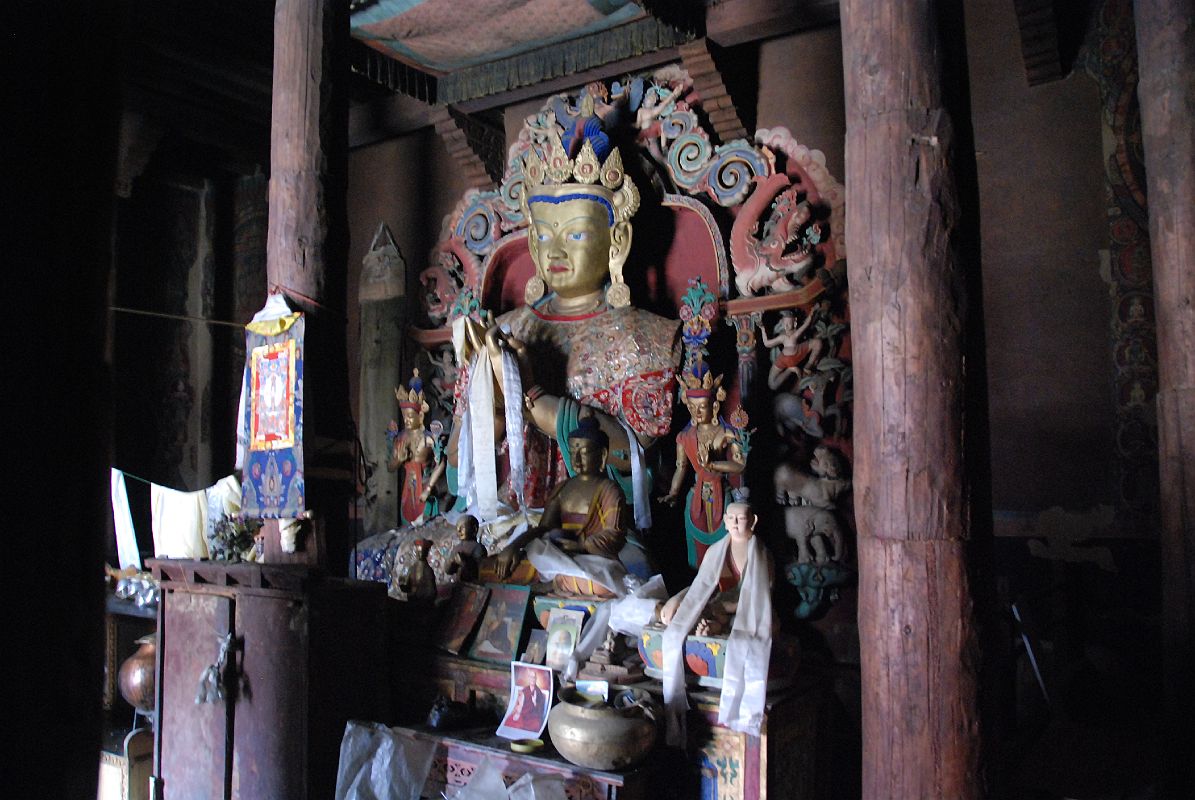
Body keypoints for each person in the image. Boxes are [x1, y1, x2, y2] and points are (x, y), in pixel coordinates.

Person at [447, 127, 681, 521]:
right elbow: (457, 471)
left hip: (590, 523)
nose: (554, 250)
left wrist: (533, 396)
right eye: (543, 234)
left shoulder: (647, 338)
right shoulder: (505, 333)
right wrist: (496, 406)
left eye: (574, 233)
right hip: (503, 517)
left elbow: (634, 464)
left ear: (616, 241)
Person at [487, 417, 627, 597]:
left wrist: (580, 544)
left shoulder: (609, 490)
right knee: (504, 567)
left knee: (599, 584)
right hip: (558, 558)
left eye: (583, 452)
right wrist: (514, 546)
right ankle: (474, 567)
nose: (576, 458)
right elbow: (544, 528)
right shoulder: (563, 488)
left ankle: (553, 585)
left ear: (602, 455)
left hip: (593, 563)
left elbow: (614, 535)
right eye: (572, 450)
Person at [659, 363, 745, 569]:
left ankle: (726, 587)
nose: (696, 411)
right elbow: (681, 467)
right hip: (696, 498)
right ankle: (702, 586)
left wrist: (714, 464)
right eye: (692, 406)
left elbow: (740, 465)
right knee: (700, 555)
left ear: (714, 406)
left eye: (702, 406)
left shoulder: (726, 433)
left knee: (726, 551)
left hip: (721, 497)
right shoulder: (685, 436)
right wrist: (673, 492)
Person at [658, 502, 772, 636]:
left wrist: (729, 607)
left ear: (753, 520)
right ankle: (714, 624)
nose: (735, 522)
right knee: (676, 614)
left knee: (755, 626)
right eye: (731, 518)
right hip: (717, 604)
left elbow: (764, 593)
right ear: (725, 520)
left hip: (745, 609)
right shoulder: (715, 551)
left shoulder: (761, 554)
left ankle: (717, 625)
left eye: (741, 518)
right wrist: (678, 598)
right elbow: (701, 585)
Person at [388, 370, 446, 525]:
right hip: (408, 490)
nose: (406, 420)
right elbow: (390, 467)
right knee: (408, 524)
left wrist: (429, 487)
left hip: (425, 484)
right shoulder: (400, 438)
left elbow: (441, 462)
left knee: (426, 524)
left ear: (420, 416)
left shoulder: (428, 438)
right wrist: (398, 461)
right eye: (404, 416)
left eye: (410, 416)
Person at [759, 306, 825, 391]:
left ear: (795, 323)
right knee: (772, 384)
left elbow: (806, 324)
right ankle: (791, 369)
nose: (786, 326)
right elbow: (767, 344)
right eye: (784, 324)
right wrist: (762, 329)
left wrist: (812, 311)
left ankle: (808, 366)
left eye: (788, 323)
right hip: (785, 359)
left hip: (798, 352)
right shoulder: (783, 337)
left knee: (818, 343)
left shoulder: (795, 334)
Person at [445, 514, 486, 583]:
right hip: (458, 584)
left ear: (474, 529)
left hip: (473, 584)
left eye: (462, 528)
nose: (459, 531)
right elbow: (448, 571)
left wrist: (464, 562)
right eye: (457, 528)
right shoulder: (456, 548)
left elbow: (479, 571)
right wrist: (451, 562)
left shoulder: (478, 547)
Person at [508, 668, 549, 732]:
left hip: (532, 717)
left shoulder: (539, 693)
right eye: (531, 677)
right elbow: (518, 704)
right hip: (523, 714)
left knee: (536, 724)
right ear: (529, 678)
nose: (532, 679)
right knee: (511, 721)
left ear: (536, 679)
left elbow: (540, 711)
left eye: (534, 677)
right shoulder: (524, 691)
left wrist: (535, 702)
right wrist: (518, 713)